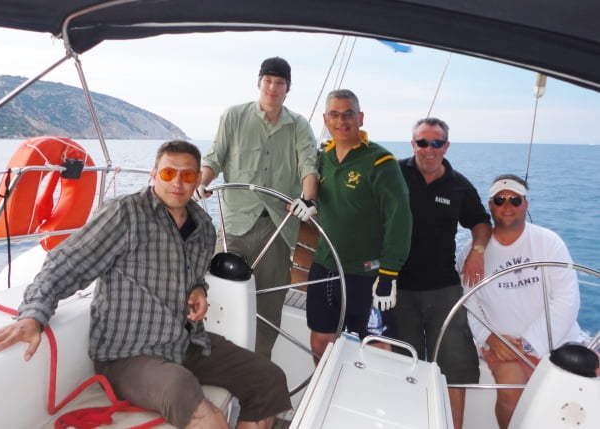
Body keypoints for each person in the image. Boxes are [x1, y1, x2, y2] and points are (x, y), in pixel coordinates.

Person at [0, 140, 291, 429]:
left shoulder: (204, 228)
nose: (177, 183)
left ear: (198, 180)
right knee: (182, 390)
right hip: (127, 354)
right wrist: (33, 314)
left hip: (184, 343)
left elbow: (194, 276)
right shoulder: (124, 215)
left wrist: (199, 290)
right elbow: (66, 264)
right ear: (154, 175)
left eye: (187, 176)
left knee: (268, 379)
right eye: (168, 173)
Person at [196, 57, 319, 358]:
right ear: (259, 82)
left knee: (268, 308)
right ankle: (208, 361)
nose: (273, 88)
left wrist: (309, 199)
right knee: (215, 297)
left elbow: (308, 165)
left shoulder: (299, 125)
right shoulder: (234, 116)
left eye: (280, 83)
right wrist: (201, 182)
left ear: (288, 88)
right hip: (235, 225)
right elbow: (214, 157)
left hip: (277, 227)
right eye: (268, 81)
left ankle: (259, 369)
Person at [457, 174, 586, 429]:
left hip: (558, 340)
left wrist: (529, 343)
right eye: (500, 200)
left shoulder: (549, 243)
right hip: (502, 344)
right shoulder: (471, 253)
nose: (507, 206)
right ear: (490, 205)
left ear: (525, 205)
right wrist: (489, 337)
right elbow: (469, 304)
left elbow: (567, 300)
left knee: (585, 392)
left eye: (515, 200)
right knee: (510, 396)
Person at [394, 117, 492, 429]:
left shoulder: (459, 185)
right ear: (413, 144)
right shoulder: (393, 174)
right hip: (397, 288)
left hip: (443, 289)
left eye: (436, 143)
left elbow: (481, 222)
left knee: (454, 367)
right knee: (402, 365)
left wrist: (477, 252)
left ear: (446, 146)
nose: (429, 149)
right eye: (423, 142)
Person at [306, 89, 412, 361]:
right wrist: (305, 199)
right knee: (321, 342)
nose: (341, 121)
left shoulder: (381, 162)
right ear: (325, 120)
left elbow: (400, 219)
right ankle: (326, 387)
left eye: (348, 114)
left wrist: (388, 274)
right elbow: (307, 186)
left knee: (377, 349)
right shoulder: (321, 158)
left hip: (368, 274)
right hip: (325, 266)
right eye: (334, 114)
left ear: (360, 118)